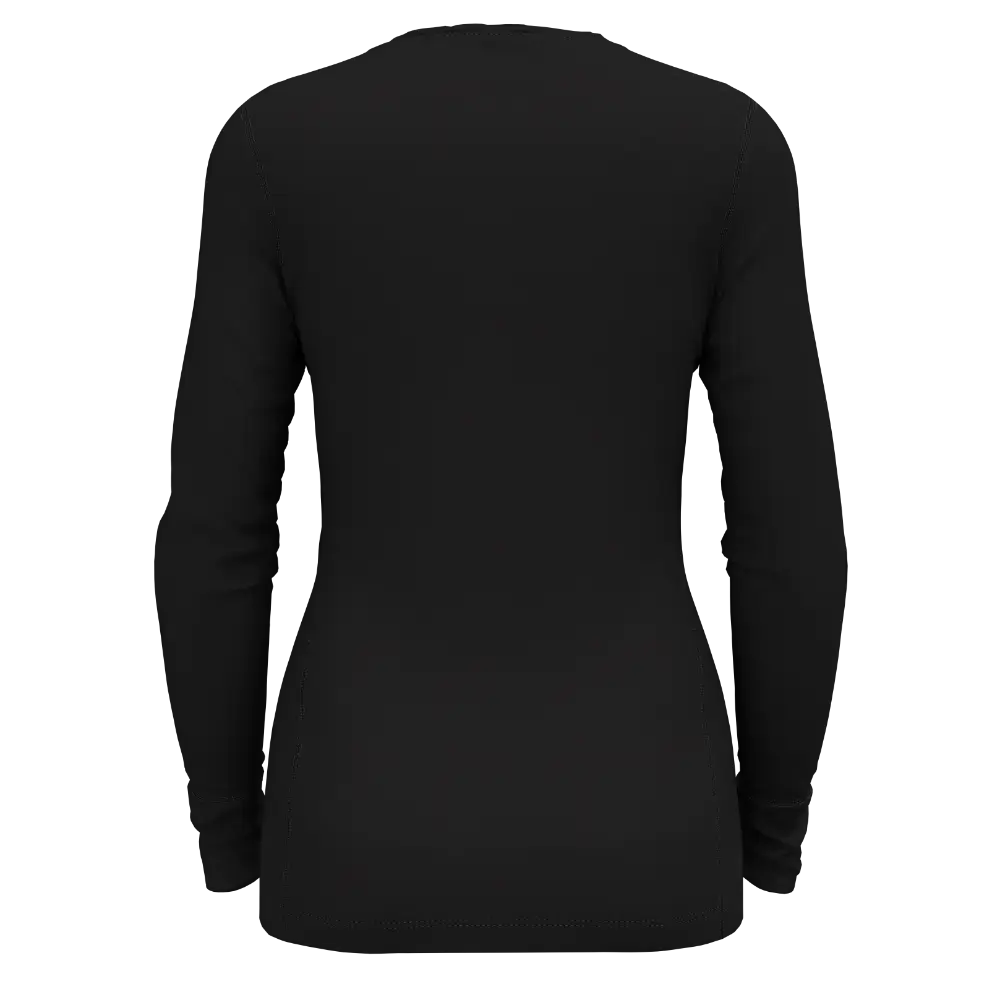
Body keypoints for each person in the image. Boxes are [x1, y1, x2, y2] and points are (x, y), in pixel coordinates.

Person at [152, 19, 848, 958]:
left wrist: (226, 837)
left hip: (352, 834)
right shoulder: (727, 141)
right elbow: (788, 533)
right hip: (650, 835)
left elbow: (217, 534)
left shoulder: (275, 140)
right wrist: (775, 836)